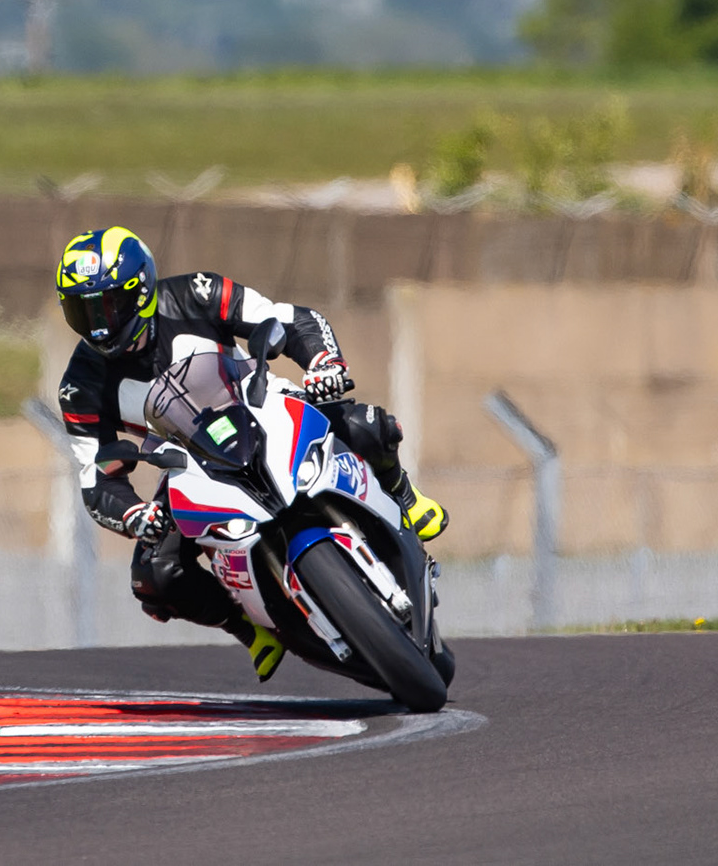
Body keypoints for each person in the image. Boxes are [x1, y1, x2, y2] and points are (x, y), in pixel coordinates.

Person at [52, 225, 448, 681]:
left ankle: (404, 497)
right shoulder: (80, 386)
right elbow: (96, 476)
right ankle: (250, 629)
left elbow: (289, 319)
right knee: (155, 574)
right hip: (190, 461)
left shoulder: (197, 292)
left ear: (140, 292)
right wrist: (134, 514)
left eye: (106, 305)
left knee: (367, 426)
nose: (98, 325)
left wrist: (323, 364)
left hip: (261, 404)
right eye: (82, 311)